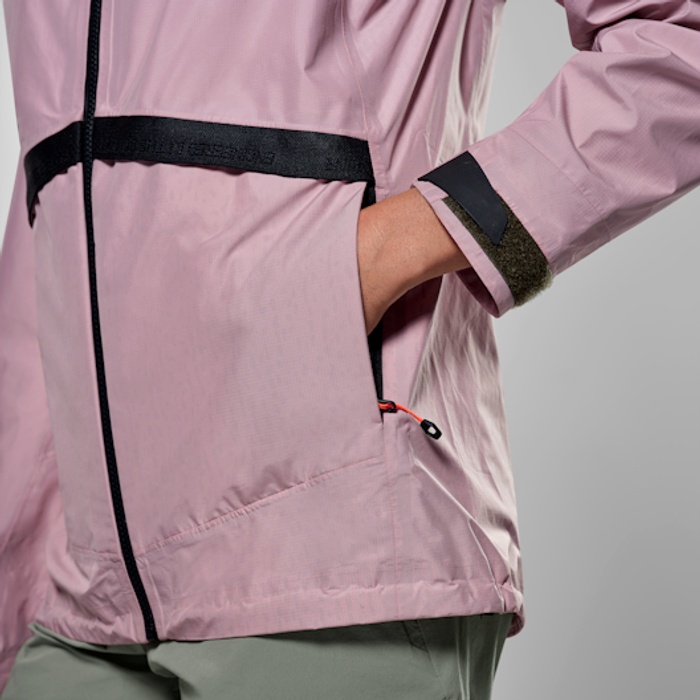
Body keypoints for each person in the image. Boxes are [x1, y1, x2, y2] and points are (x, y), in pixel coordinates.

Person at [1, 1, 699, 698]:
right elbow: (61, 217)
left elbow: (682, 45)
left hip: (337, 554)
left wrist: (381, 256)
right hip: (83, 604)